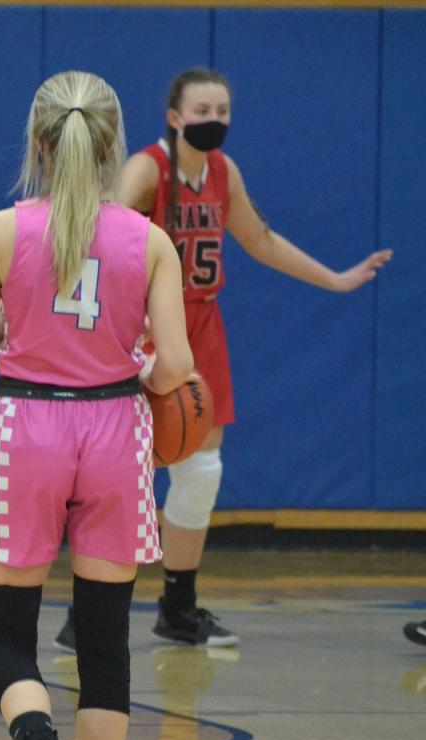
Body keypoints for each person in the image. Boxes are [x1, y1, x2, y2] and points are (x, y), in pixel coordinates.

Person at [54, 66, 392, 651]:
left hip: (202, 326)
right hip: (144, 327)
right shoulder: (146, 169)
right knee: (122, 474)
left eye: (222, 112)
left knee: (201, 472)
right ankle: (85, 612)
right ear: (175, 115)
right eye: (202, 111)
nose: (214, 121)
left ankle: (178, 607)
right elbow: (95, 233)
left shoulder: (221, 172)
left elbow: (259, 239)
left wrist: (335, 280)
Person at [0, 71, 193, 740]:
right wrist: (136, 363)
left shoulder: (2, 229)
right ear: (115, 143)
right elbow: (177, 366)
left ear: (39, 144)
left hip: (29, 424)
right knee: (104, 641)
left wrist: (10, 325)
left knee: (5, 634)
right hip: (117, 426)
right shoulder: (150, 241)